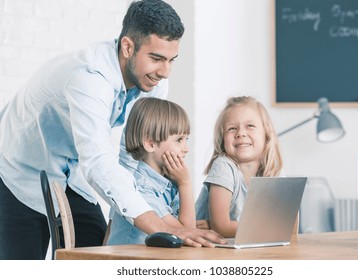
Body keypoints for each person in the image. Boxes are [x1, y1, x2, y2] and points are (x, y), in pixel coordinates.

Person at [0, 0, 222, 260]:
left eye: (172, 60)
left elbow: (132, 153)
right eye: (156, 58)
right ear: (128, 46)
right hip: (18, 171)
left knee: (98, 255)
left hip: (71, 172)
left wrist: (168, 224)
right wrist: (157, 225)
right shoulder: (88, 77)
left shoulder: (153, 81)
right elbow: (97, 161)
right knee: (23, 267)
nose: (165, 71)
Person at [107, 97, 195, 245]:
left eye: (187, 139)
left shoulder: (169, 183)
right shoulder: (141, 188)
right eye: (179, 140)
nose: (186, 148)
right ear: (151, 143)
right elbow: (186, 234)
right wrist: (185, 184)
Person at [195, 96, 283, 238]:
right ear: (222, 139)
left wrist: (269, 228)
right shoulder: (223, 166)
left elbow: (285, 226)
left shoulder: (274, 172)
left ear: (267, 134)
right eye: (232, 128)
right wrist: (267, 229)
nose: (240, 133)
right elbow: (221, 227)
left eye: (250, 126)